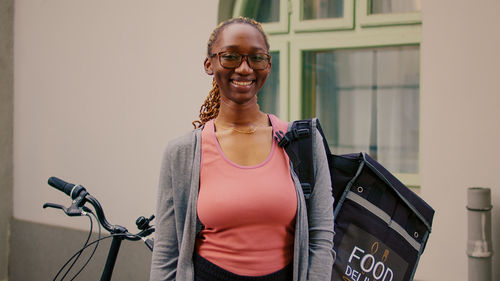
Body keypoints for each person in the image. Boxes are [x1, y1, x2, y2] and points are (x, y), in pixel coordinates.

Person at [150, 17, 335, 281]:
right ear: (209, 64)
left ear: (268, 66)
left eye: (256, 58)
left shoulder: (301, 142)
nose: (244, 69)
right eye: (231, 57)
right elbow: (167, 254)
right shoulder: (182, 153)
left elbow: (321, 236)